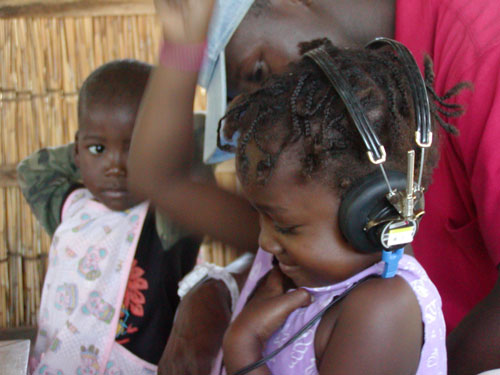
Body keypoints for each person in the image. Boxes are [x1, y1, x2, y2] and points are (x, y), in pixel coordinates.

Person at [155, 0, 500, 374]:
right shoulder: (312, 211)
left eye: (257, 73)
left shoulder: (482, 42)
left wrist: (244, 354)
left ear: (368, 209)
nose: (280, 90)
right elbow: (163, 181)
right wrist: (217, 288)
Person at [18, 59, 209, 374]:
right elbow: (31, 171)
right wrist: (90, 148)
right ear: (77, 151)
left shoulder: (169, 216)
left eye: (135, 147)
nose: (116, 166)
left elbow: (201, 137)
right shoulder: (72, 210)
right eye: (98, 149)